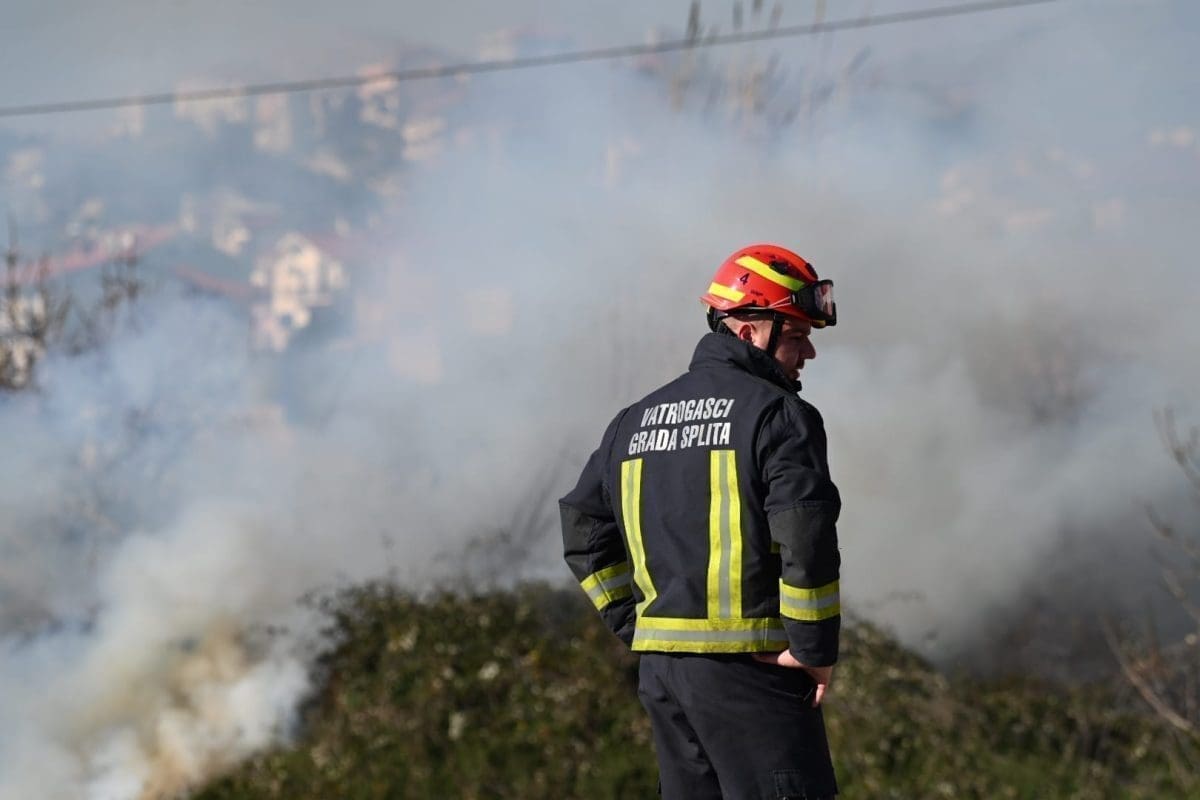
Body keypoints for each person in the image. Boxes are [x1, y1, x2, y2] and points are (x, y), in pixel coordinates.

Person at [559, 243, 842, 799]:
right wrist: (812, 651)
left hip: (665, 678)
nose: (808, 351)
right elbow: (806, 538)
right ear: (748, 332)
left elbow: (582, 529)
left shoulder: (634, 421)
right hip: (754, 673)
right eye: (795, 335)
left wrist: (637, 625)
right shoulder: (781, 415)